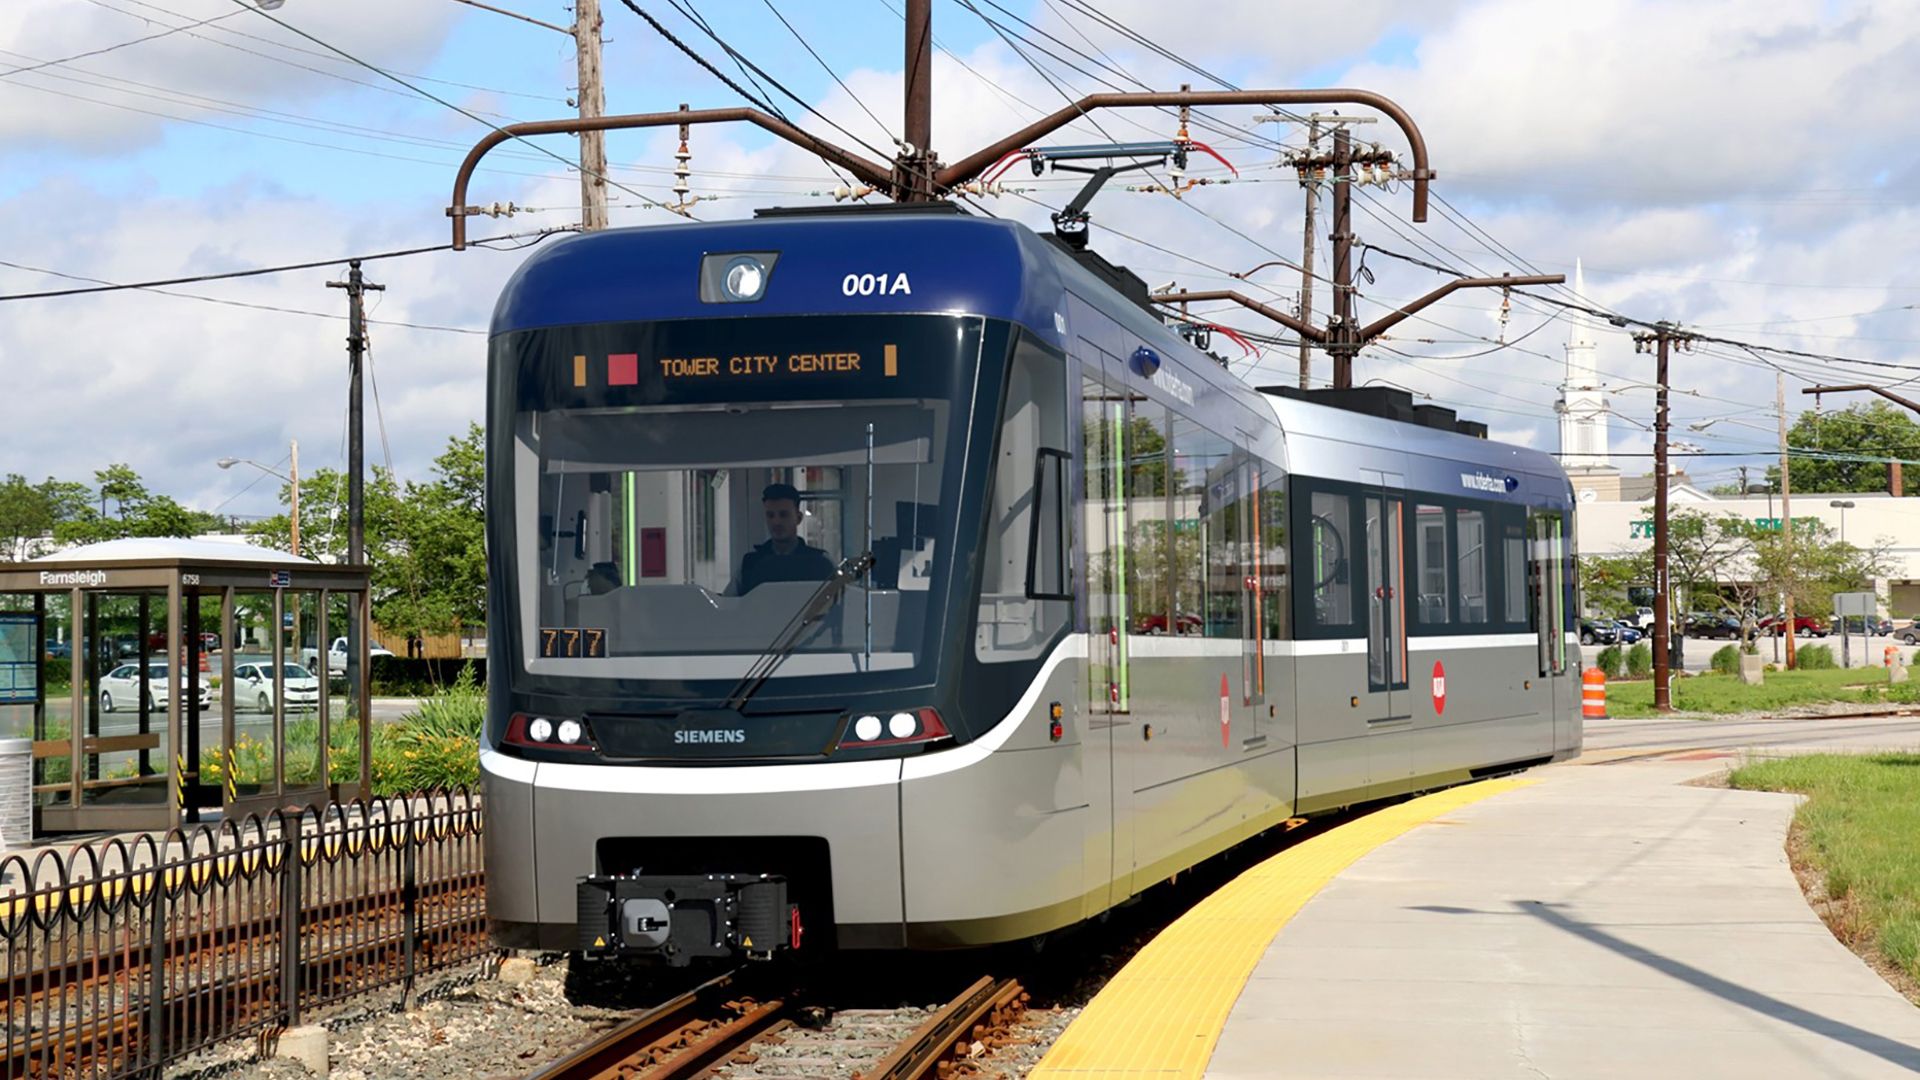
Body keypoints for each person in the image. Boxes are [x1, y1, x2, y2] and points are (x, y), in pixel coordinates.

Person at [733, 482, 835, 594]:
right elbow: (727, 604)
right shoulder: (749, 564)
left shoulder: (821, 562)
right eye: (770, 515)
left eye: (784, 515)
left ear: (799, 518)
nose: (776, 522)